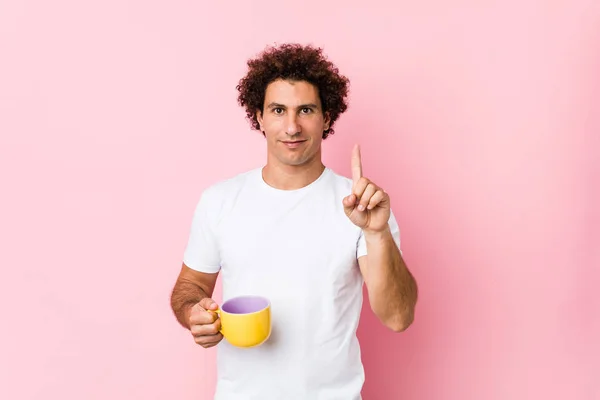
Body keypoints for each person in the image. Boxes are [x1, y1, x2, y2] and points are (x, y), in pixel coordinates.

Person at [170, 43, 418, 400]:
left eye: (305, 109)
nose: (291, 126)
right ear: (259, 117)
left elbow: (398, 317)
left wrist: (376, 232)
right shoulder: (219, 201)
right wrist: (194, 311)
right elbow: (190, 285)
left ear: (327, 118)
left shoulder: (362, 206)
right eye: (278, 110)